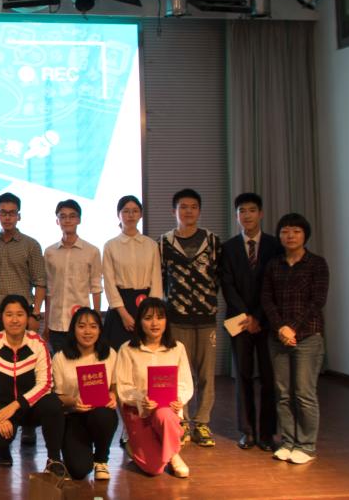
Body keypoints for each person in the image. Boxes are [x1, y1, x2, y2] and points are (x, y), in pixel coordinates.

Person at [261, 213, 329, 465]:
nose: (290, 236)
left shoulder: (317, 263)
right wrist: (281, 327)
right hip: (277, 337)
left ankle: (307, 446)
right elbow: (266, 298)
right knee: (283, 393)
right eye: (285, 231)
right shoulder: (273, 264)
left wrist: (293, 328)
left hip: (308, 336)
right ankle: (288, 442)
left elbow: (317, 301)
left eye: (296, 231)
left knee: (304, 393)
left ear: (305, 235)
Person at [159, 188, 222, 447]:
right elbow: (161, 278)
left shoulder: (212, 241)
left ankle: (202, 422)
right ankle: (182, 421)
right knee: (178, 374)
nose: (188, 211)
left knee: (206, 374)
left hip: (206, 318)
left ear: (199, 211)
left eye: (193, 207)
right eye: (183, 207)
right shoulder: (164, 243)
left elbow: (219, 276)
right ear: (174, 211)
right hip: (176, 318)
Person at [220, 192, 282, 452]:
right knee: (243, 376)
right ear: (236, 216)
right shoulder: (228, 247)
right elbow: (227, 285)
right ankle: (247, 431)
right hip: (238, 321)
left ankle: (267, 433)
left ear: (261, 214)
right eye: (242, 211)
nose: (247, 215)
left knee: (269, 378)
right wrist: (246, 316)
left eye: (252, 210)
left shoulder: (275, 245)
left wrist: (258, 316)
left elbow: (276, 285)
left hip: (267, 321)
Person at [0, 294, 66, 475]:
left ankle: (54, 458)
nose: (14, 320)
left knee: (53, 404)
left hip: (29, 407)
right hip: (2, 408)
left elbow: (45, 383)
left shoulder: (38, 343)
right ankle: (3, 448)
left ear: (27, 317)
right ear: (2, 317)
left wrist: (17, 404)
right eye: (9, 314)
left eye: (20, 314)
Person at [115, 297, 193, 478]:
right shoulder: (127, 349)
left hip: (167, 411)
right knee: (154, 469)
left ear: (166, 321)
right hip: (139, 412)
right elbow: (123, 386)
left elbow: (185, 382)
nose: (155, 323)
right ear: (140, 322)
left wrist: (179, 399)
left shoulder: (177, 348)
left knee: (165, 414)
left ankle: (173, 455)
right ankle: (133, 444)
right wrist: (140, 399)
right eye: (148, 318)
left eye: (160, 317)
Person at [51, 307, 119, 481]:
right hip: (73, 416)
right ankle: (83, 453)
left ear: (100, 330)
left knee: (105, 416)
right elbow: (57, 396)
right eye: (81, 326)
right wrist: (74, 402)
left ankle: (101, 460)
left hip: (99, 412)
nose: (87, 331)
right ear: (73, 329)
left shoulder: (109, 354)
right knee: (79, 470)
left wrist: (113, 395)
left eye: (93, 326)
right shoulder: (60, 358)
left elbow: (114, 384)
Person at [102, 195, 162, 350]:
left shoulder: (151, 245)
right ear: (118, 214)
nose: (130, 215)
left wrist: (150, 314)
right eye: (126, 211)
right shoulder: (110, 246)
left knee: (145, 353)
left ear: (141, 214)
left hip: (146, 306)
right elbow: (109, 283)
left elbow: (156, 281)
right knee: (118, 354)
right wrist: (124, 315)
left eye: (135, 211)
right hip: (120, 308)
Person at [0, 192, 47, 332]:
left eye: (12, 213)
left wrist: (35, 314)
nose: (7, 217)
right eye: (3, 213)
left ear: (19, 216)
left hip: (23, 313)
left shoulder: (31, 245)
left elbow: (40, 282)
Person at [44, 199, 102, 354]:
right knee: (58, 365)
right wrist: (46, 323)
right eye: (62, 216)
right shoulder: (49, 252)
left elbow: (96, 288)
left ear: (79, 220)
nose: (67, 220)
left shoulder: (92, 251)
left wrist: (96, 322)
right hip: (56, 324)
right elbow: (49, 291)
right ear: (57, 221)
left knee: (81, 364)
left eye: (72, 216)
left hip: (82, 324)